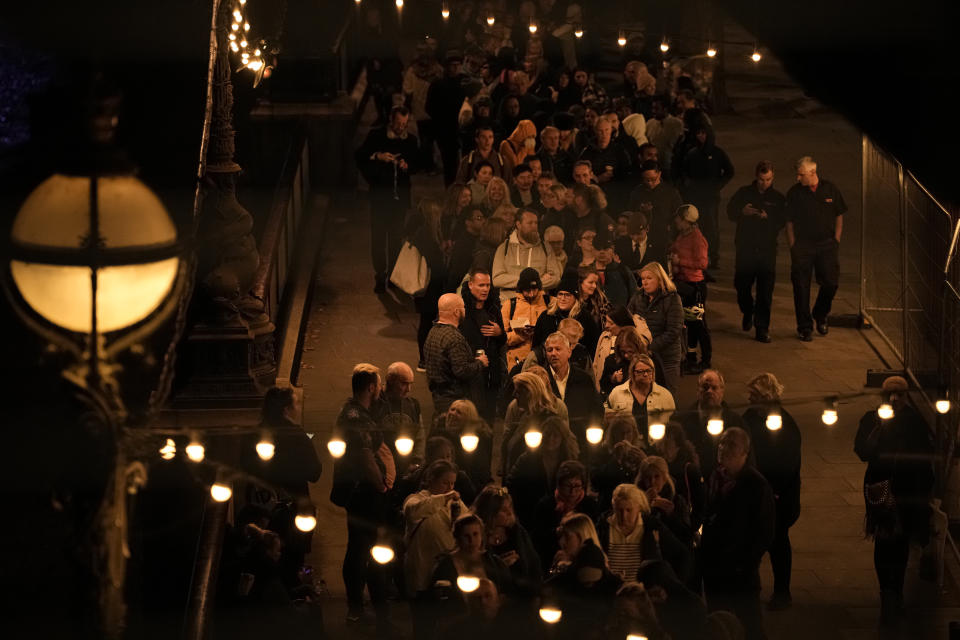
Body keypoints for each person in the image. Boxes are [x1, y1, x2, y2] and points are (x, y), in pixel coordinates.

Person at [854, 375, 935, 628]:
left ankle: (895, 592)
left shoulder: (914, 422)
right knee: (883, 541)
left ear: (906, 395)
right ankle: (886, 592)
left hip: (906, 490)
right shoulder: (872, 418)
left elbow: (924, 458)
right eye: (890, 394)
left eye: (900, 394)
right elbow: (862, 452)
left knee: (899, 545)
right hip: (880, 488)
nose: (894, 398)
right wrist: (877, 430)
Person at [330, 365, 394, 629]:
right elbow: (365, 456)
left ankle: (358, 606)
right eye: (378, 386)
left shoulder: (354, 411)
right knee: (361, 548)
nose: (380, 390)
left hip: (360, 491)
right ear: (370, 387)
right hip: (364, 494)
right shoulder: (357, 418)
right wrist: (380, 484)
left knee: (359, 546)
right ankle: (360, 608)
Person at [701, 428, 776, 640]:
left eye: (731, 444)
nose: (723, 448)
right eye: (722, 443)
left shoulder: (756, 485)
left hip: (740, 573)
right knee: (717, 624)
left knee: (750, 624)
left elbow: (764, 532)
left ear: (745, 452)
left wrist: (744, 563)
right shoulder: (715, 476)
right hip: (715, 569)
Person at [742, 373, 801, 611]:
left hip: (778, 496)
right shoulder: (750, 417)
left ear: (766, 397)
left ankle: (782, 591)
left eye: (754, 395)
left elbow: (787, 464)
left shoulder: (785, 424)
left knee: (778, 543)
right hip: (754, 491)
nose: (749, 399)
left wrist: (772, 492)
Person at [355, 106, 419, 293]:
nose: (401, 127)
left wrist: (407, 165)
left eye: (404, 124)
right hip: (380, 198)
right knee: (378, 237)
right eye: (398, 123)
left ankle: (393, 274)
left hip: (399, 199)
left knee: (396, 237)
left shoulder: (411, 141)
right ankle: (380, 274)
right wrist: (378, 156)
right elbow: (360, 155)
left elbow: (418, 163)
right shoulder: (376, 136)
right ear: (391, 121)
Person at [402, 460, 470, 639]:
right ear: (431, 480)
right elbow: (414, 512)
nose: (450, 487)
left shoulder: (456, 503)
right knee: (423, 625)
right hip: (422, 572)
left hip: (446, 574)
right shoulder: (416, 499)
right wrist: (445, 498)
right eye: (445, 482)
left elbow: (469, 521)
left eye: (452, 483)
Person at [785, 155, 847, 341]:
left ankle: (820, 313)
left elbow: (839, 214)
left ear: (812, 173)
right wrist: (793, 245)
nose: (798, 178)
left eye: (801, 174)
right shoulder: (794, 193)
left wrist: (836, 239)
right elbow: (789, 222)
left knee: (831, 283)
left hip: (827, 245)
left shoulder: (830, 189)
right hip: (803, 246)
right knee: (801, 287)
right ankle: (805, 327)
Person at [727, 161, 787, 343]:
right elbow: (730, 212)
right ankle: (748, 310)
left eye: (768, 179)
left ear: (772, 178)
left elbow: (782, 221)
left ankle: (762, 328)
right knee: (741, 285)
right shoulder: (744, 193)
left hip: (766, 250)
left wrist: (768, 218)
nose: (764, 183)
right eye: (761, 180)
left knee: (765, 291)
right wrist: (741, 212)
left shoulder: (777, 198)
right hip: (746, 249)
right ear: (756, 177)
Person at [673, 124, 734, 268]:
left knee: (711, 227)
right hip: (695, 197)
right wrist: (687, 184)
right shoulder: (692, 153)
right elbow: (684, 170)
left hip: (711, 198)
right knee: (695, 227)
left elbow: (729, 171)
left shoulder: (717, 153)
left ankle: (713, 257)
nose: (701, 136)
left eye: (703, 133)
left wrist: (717, 185)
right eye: (698, 133)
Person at [506, 415, 581, 528]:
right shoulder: (528, 459)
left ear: (562, 439)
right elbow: (512, 482)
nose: (550, 439)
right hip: (530, 514)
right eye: (547, 434)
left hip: (560, 515)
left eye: (555, 435)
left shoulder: (569, 461)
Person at [423, 293, 490, 418]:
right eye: (463, 307)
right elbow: (461, 371)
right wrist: (480, 363)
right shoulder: (454, 338)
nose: (465, 310)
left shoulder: (432, 332)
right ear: (456, 312)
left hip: (438, 397)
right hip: (454, 400)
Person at [471, 486, 542, 596]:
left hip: (521, 595)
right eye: (503, 510)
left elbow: (534, 564)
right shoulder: (476, 535)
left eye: (510, 507)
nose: (509, 512)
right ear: (490, 513)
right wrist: (501, 565)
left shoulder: (517, 532)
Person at [626, 262, 684, 395]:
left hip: (666, 357)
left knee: (666, 394)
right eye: (643, 278)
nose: (645, 282)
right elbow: (628, 320)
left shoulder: (672, 299)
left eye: (649, 278)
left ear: (660, 279)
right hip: (643, 356)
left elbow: (674, 330)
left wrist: (650, 347)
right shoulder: (638, 297)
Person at [676, 369, 744, 480]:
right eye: (705, 387)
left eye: (714, 388)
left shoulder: (736, 422)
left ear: (722, 391)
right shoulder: (681, 421)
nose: (709, 391)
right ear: (698, 391)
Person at [532, 460, 601, 569]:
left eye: (577, 486)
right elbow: (538, 538)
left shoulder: (590, 506)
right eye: (568, 486)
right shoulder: (546, 506)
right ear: (559, 484)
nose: (572, 491)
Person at [458, 268, 507, 421]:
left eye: (487, 285)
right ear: (471, 285)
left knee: (489, 421)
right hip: (471, 374)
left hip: (491, 374)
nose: (485, 289)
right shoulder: (461, 309)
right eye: (481, 285)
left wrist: (500, 333)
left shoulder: (493, 308)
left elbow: (502, 341)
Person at [541, 331, 603, 451]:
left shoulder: (583, 378)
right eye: (549, 350)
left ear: (569, 352)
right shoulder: (540, 379)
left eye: (558, 349)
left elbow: (596, 409)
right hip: (548, 444)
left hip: (580, 442)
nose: (553, 353)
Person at [669, 204, 712, 372]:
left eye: (678, 219)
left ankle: (706, 360)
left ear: (686, 220)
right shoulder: (683, 235)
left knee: (699, 324)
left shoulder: (697, 239)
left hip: (695, 287)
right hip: (684, 284)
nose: (676, 222)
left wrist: (681, 262)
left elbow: (702, 263)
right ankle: (692, 358)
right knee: (690, 323)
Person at [501, 371, 569, 475]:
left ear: (530, 393)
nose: (514, 395)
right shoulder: (523, 418)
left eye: (518, 392)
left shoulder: (549, 423)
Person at [410, 198, 451, 368]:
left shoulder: (423, 233)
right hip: (429, 288)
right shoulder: (426, 235)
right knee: (427, 323)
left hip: (426, 288)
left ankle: (425, 358)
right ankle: (424, 359)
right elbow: (434, 265)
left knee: (426, 322)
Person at [596, 484, 662, 582]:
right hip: (610, 590)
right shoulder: (604, 527)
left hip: (640, 591)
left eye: (629, 510)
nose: (624, 516)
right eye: (619, 510)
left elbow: (681, 553)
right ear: (613, 508)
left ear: (638, 508)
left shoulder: (650, 526)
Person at [491, 209, 562, 301]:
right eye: (530, 223)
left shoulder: (546, 248)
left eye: (536, 223)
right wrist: (532, 282)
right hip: (509, 304)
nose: (534, 226)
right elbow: (497, 279)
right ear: (518, 224)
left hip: (538, 304)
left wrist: (516, 282)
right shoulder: (504, 248)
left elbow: (555, 278)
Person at [627, 161, 683, 268]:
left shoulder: (670, 192)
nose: (650, 183)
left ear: (659, 174)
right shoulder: (637, 192)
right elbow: (630, 213)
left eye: (653, 179)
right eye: (646, 180)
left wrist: (672, 235)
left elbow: (678, 215)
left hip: (663, 237)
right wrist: (641, 210)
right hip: (642, 238)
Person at [655, 421, 706, 537]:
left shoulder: (689, 469)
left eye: (667, 440)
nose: (662, 444)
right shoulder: (659, 466)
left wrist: (690, 528)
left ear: (677, 443)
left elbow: (700, 503)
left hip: (682, 528)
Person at [605, 354, 676, 437]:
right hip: (627, 444)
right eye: (641, 371)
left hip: (655, 444)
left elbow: (673, 424)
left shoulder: (664, 395)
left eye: (649, 371)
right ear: (633, 372)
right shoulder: (617, 392)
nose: (645, 374)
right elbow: (605, 414)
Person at [431, 398, 494, 490]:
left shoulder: (477, 439)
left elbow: (481, 468)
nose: (453, 414)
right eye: (452, 409)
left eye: (459, 412)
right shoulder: (438, 432)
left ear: (468, 419)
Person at [427, 50, 467, 186]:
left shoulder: (466, 83)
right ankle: (451, 192)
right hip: (446, 130)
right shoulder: (438, 85)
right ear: (447, 66)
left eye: (458, 64)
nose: (455, 68)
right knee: (450, 165)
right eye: (452, 65)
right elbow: (430, 107)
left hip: (464, 128)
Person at [376, 362, 425, 463]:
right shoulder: (375, 403)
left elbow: (420, 435)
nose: (408, 389)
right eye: (403, 383)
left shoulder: (413, 405)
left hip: (406, 465)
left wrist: (416, 461)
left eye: (410, 384)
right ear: (390, 380)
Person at [501, 267, 548, 368]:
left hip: (543, 361)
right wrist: (521, 335)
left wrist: (539, 333)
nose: (531, 294)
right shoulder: (510, 305)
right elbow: (501, 338)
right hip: (516, 362)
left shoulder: (549, 302)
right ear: (521, 288)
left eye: (534, 289)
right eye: (527, 290)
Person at [593, 306, 652, 387]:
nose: (606, 325)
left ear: (621, 322)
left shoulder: (636, 341)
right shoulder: (605, 336)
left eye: (611, 323)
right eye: (606, 321)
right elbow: (596, 364)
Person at [592, 232, 637, 308]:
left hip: (619, 317)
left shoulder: (623, 271)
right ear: (592, 250)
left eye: (606, 248)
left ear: (613, 249)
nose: (602, 252)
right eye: (598, 248)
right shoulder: (586, 271)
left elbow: (635, 298)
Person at [446, 206, 487, 291]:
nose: (484, 221)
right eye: (479, 218)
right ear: (468, 222)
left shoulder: (479, 239)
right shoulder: (464, 243)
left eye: (483, 218)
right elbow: (457, 271)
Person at [615, 211, 665, 277]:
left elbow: (663, 272)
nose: (635, 238)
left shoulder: (657, 247)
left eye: (639, 234)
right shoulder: (620, 244)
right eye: (632, 234)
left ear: (647, 229)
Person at [576, 265, 608, 354]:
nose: (594, 286)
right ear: (580, 282)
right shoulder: (572, 302)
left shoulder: (601, 301)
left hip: (596, 347)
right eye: (590, 282)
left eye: (595, 283)